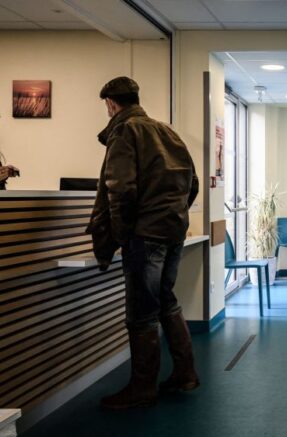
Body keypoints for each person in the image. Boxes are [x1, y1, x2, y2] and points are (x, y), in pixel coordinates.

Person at [87, 76, 200, 410]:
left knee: (141, 311)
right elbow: (191, 183)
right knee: (166, 299)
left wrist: (122, 234)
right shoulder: (167, 131)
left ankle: (142, 388)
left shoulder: (125, 131)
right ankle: (185, 373)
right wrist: (174, 213)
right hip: (173, 230)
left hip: (144, 234)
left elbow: (119, 188)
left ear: (110, 103)